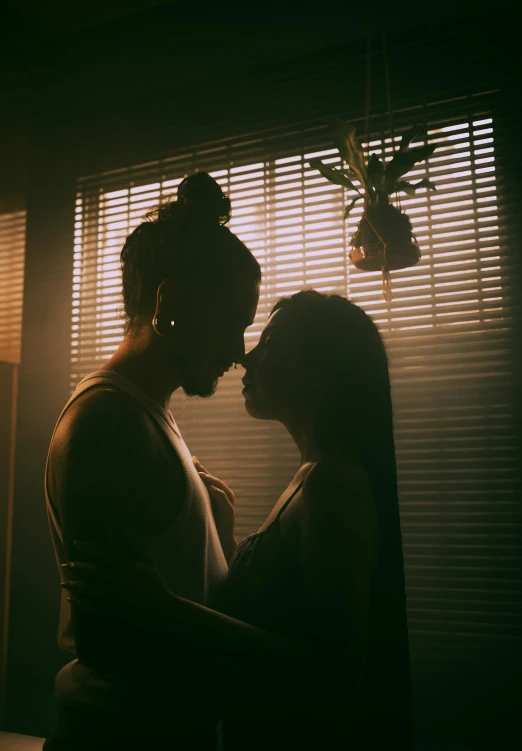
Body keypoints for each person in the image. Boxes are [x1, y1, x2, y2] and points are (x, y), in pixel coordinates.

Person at [63, 290, 413, 750]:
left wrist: (162, 608)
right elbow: (277, 620)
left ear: (318, 376)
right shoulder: (311, 479)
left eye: (269, 345)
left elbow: (332, 673)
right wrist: (227, 538)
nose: (246, 357)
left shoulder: (336, 486)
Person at [43, 172, 261, 750]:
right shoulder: (107, 425)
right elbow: (109, 638)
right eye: (232, 325)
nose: (239, 353)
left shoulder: (144, 415)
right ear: (170, 305)